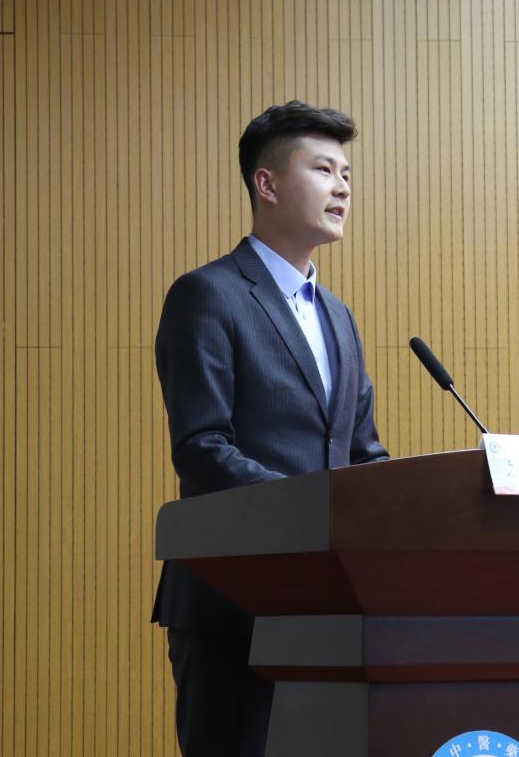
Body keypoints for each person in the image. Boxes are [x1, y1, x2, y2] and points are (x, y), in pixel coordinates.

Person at [152, 100, 389, 756]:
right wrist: (316, 511)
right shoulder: (208, 294)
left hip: (330, 609)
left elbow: (364, 455)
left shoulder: (339, 317)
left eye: (347, 174)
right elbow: (203, 450)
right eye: (323, 169)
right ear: (268, 183)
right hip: (234, 602)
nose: (343, 187)